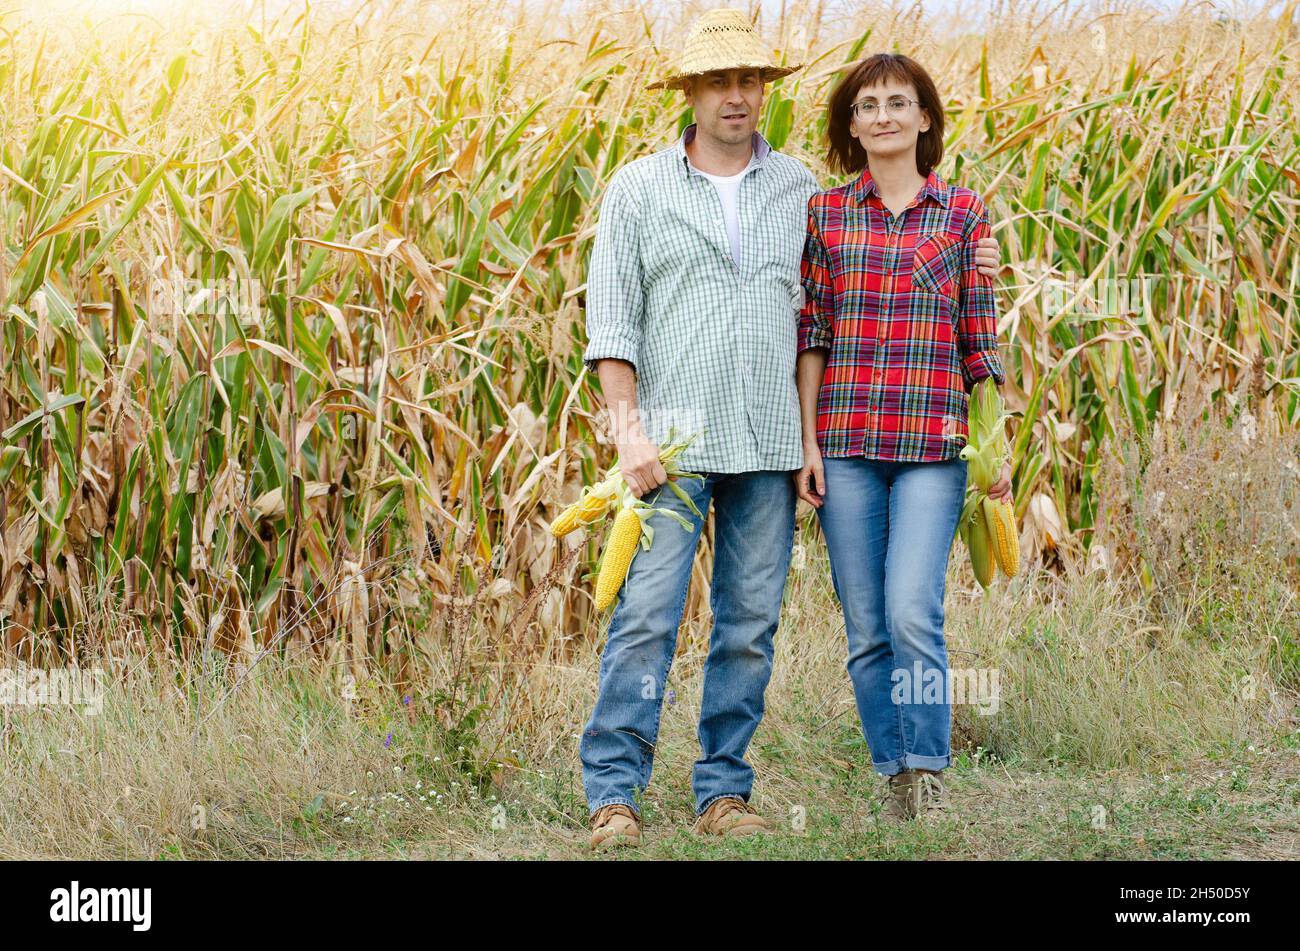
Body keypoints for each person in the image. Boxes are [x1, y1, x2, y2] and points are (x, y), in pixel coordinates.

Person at [581, 12, 1002, 850]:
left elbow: (847, 297)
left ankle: (723, 792)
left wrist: (983, 262)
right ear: (691, 95)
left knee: (748, 623)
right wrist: (629, 432)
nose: (736, 97)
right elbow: (612, 329)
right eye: (718, 83)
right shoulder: (638, 189)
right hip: (672, 447)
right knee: (647, 614)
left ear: (764, 93)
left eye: (750, 82)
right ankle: (614, 795)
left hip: (772, 444)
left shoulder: (801, 192)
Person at [795, 52, 1013, 824]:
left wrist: (996, 450)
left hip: (934, 446)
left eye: (899, 102)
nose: (882, 115)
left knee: (911, 610)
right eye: (866, 105)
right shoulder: (826, 215)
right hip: (847, 441)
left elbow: (978, 342)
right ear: (851, 126)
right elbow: (813, 331)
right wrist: (807, 443)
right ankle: (893, 774)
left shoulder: (963, 215)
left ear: (925, 119)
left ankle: (927, 767)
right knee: (865, 626)